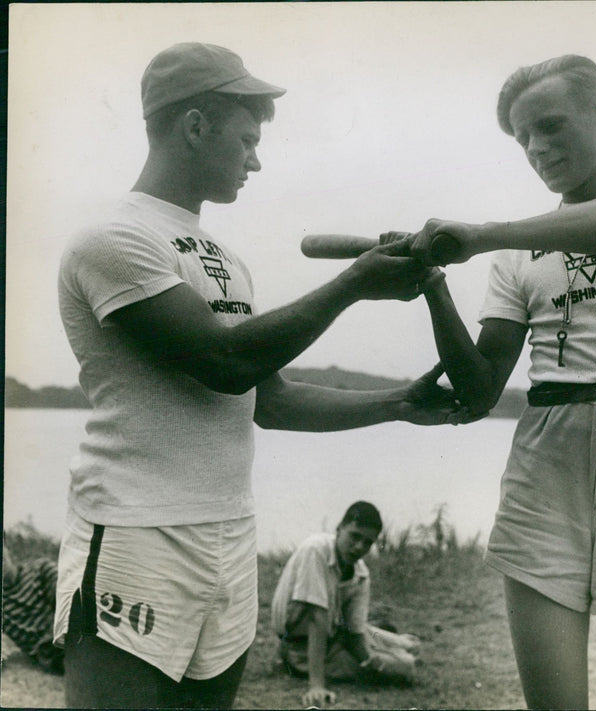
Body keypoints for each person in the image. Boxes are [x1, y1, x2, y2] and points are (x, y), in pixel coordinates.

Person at [54, 42, 469, 709]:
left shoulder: (226, 259)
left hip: (228, 532)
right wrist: (356, 280)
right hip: (138, 533)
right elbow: (227, 362)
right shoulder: (112, 238)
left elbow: (265, 398)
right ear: (194, 126)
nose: (256, 158)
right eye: (246, 139)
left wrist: (398, 402)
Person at [393, 54, 596, 709]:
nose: (536, 148)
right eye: (522, 138)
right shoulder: (514, 256)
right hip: (545, 463)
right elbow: (480, 391)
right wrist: (433, 287)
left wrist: (481, 233)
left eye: (550, 125)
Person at [271, 501, 419, 707]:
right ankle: (285, 658)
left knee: (405, 654)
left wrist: (370, 661)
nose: (359, 547)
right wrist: (316, 685)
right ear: (339, 529)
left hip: (336, 636)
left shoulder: (361, 573)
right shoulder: (316, 550)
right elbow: (317, 617)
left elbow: (355, 631)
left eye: (367, 542)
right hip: (300, 646)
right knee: (406, 668)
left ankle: (399, 643)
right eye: (355, 536)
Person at [2, 544, 64, 675]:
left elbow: (70, 603)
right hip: (50, 654)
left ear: (8, 550)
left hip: (71, 635)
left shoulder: (41, 569)